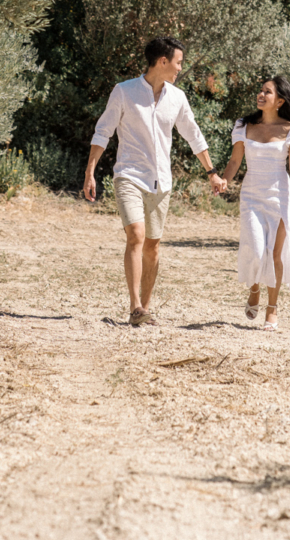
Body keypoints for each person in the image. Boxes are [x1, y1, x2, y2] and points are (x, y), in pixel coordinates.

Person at [83, 36, 226, 327]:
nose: (179, 68)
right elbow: (103, 131)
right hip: (129, 176)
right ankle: (135, 306)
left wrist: (212, 172)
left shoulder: (177, 98)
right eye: (178, 62)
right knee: (136, 234)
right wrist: (90, 171)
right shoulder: (124, 92)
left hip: (162, 182)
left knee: (153, 246)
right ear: (163, 61)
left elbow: (193, 135)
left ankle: (145, 309)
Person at [221, 74, 290, 332]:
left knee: (275, 253)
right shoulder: (244, 125)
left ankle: (272, 309)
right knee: (257, 247)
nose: (261, 95)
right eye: (260, 91)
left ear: (280, 101)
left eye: (267, 92)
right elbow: (235, 161)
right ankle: (254, 287)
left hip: (280, 196)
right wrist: (224, 181)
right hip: (251, 194)